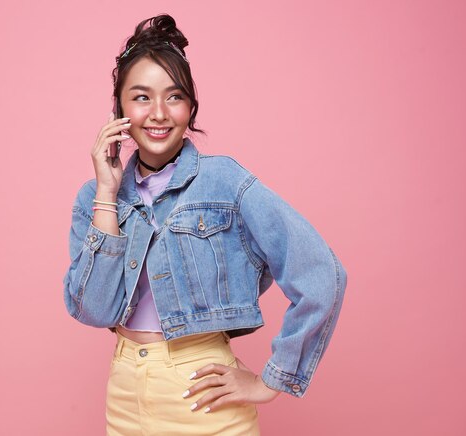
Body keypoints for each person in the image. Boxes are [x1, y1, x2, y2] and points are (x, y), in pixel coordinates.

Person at [63, 14, 347, 435]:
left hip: (202, 396)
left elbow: (322, 274)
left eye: (173, 97)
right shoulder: (96, 197)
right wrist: (107, 192)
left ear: (191, 106)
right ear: (118, 109)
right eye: (141, 97)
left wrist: (273, 379)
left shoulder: (225, 182)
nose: (158, 113)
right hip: (124, 397)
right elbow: (94, 309)